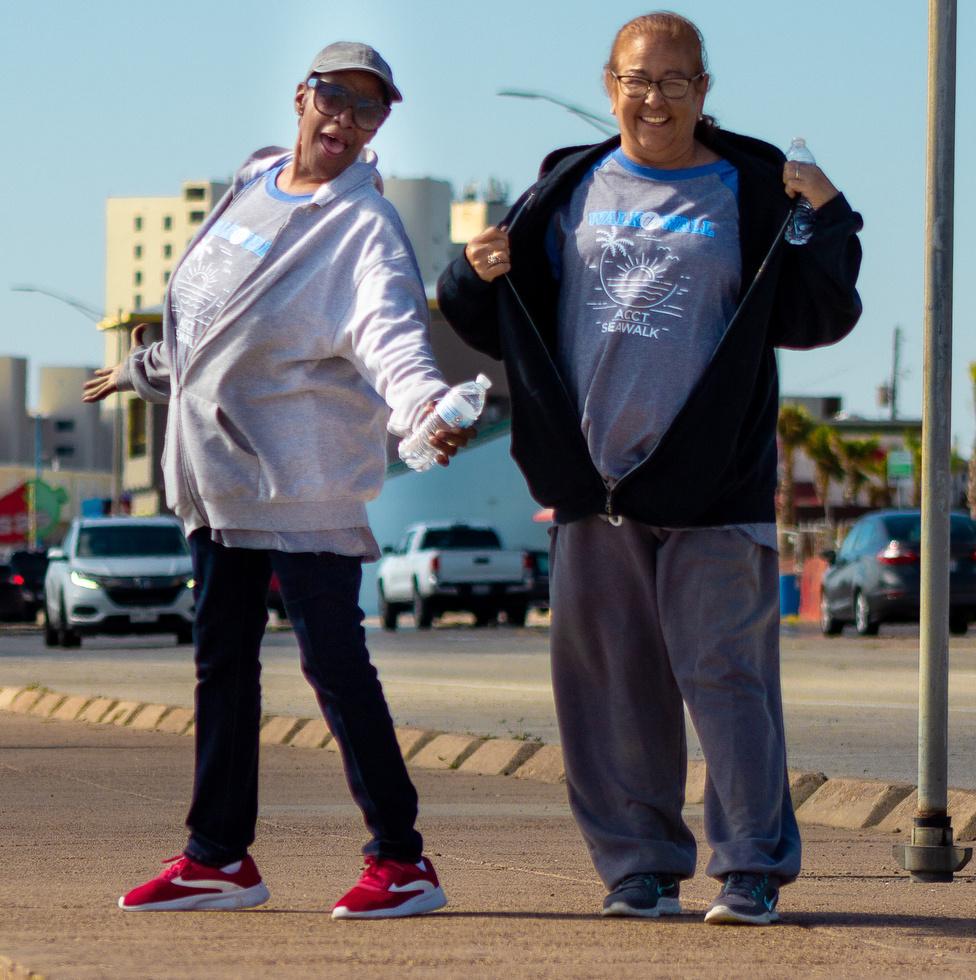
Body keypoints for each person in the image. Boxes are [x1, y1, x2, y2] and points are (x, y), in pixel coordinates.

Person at [437, 12, 862, 926]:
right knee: (611, 690)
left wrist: (828, 215)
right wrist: (470, 277)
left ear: (703, 91)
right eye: (638, 80)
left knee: (729, 682)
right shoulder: (565, 188)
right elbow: (495, 318)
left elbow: (820, 315)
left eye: (675, 81)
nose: (655, 99)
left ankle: (750, 867)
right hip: (594, 485)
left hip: (716, 485)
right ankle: (641, 868)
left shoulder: (751, 187)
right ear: (610, 85)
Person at [84, 41, 471, 918]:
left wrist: (423, 407)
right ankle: (217, 858)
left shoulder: (364, 227)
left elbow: (392, 333)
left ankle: (402, 861)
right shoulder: (254, 182)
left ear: (379, 125)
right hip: (217, 477)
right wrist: (146, 368)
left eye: (368, 109)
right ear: (302, 96)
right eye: (334, 97)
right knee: (221, 662)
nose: (346, 119)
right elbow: (211, 322)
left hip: (301, 483)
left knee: (334, 664)